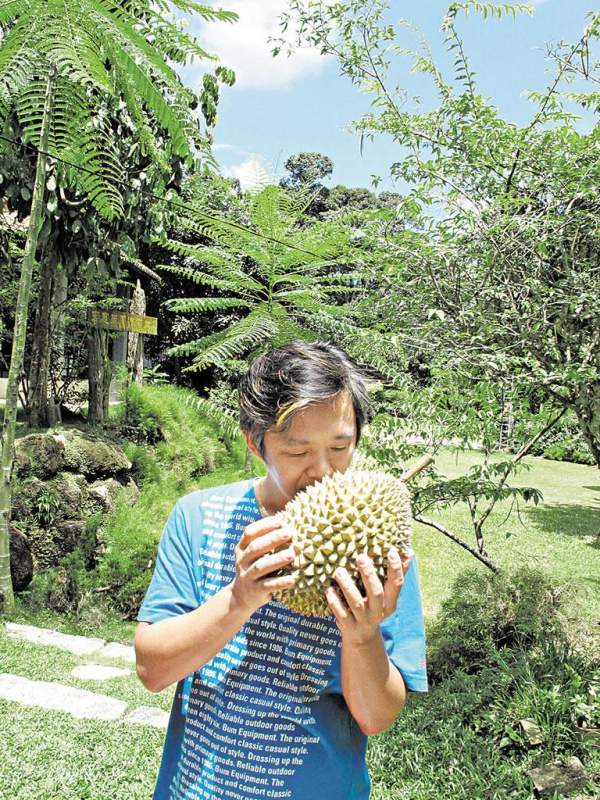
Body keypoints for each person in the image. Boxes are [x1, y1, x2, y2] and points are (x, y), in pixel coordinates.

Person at [135, 340, 428, 800]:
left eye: (340, 446)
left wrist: (362, 635)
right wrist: (239, 599)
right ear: (256, 443)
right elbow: (152, 669)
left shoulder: (381, 550)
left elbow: (376, 718)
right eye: (297, 451)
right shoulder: (198, 518)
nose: (324, 471)